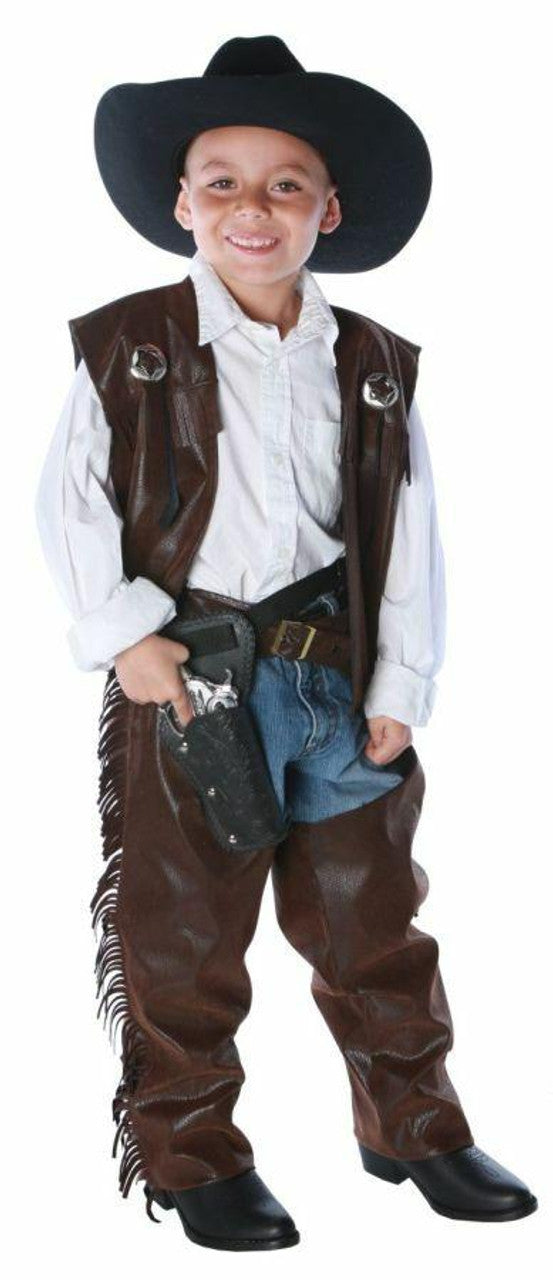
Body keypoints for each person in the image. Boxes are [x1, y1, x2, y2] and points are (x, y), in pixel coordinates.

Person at [34, 34, 537, 1251]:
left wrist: (400, 678)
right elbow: (69, 503)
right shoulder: (129, 345)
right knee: (185, 930)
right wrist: (129, 639)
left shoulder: (373, 365)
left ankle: (414, 1123)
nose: (250, 209)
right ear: (180, 202)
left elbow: (409, 531)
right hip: (193, 676)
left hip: (335, 679)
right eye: (222, 182)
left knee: (375, 916)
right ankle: (190, 1148)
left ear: (328, 209)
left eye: (283, 184)